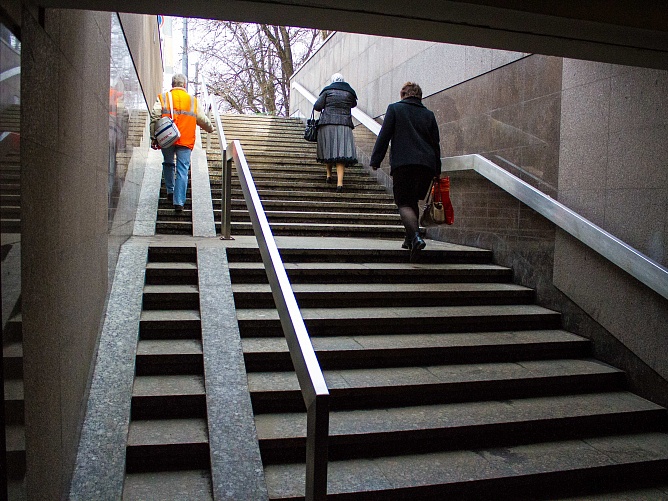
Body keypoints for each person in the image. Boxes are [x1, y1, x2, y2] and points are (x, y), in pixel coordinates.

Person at [369, 82, 441, 262]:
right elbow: (435, 144)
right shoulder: (428, 115)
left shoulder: (394, 109)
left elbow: (384, 136)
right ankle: (409, 239)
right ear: (419, 96)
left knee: (403, 203)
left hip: (404, 164)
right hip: (426, 166)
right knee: (412, 201)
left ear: (403, 94)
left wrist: (376, 160)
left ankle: (416, 237)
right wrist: (437, 170)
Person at [150, 73, 214, 211]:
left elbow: (155, 116)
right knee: (182, 170)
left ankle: (170, 190)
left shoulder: (163, 98)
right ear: (184, 85)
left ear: (172, 85)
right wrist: (210, 128)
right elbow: (202, 119)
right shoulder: (192, 101)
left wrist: (153, 137)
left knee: (168, 163)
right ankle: (178, 201)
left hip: (166, 137)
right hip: (185, 139)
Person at [313, 73, 358, 193]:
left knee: (329, 149)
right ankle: (340, 183)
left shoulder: (327, 91)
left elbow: (317, 106)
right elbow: (354, 104)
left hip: (327, 124)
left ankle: (328, 175)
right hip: (344, 125)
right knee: (341, 153)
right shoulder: (349, 92)